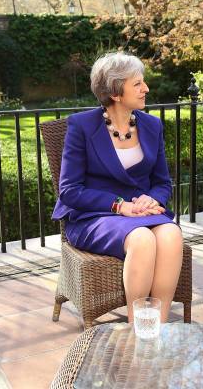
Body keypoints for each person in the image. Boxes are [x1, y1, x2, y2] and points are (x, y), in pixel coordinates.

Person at [52, 52, 183, 323]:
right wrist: (119, 205)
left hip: (140, 212)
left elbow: (161, 181)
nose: (146, 88)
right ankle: (138, 328)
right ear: (115, 91)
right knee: (143, 240)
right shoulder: (82, 126)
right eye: (137, 84)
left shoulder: (151, 125)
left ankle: (159, 326)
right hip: (94, 215)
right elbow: (69, 190)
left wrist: (151, 198)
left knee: (171, 234)